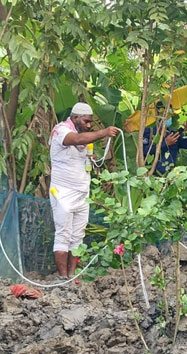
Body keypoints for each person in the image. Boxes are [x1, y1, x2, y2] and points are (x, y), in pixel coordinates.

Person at [49, 102, 120, 278]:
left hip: (82, 193)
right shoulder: (62, 130)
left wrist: (90, 159)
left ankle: (73, 276)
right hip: (63, 192)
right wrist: (103, 133)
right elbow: (77, 140)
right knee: (63, 234)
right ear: (75, 118)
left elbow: (80, 147)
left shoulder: (81, 133)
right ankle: (63, 277)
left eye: (90, 123)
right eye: (86, 122)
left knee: (77, 236)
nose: (88, 125)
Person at [142, 104, 187, 175]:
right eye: (165, 114)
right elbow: (143, 152)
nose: (169, 117)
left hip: (169, 177)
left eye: (170, 114)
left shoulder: (173, 134)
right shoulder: (148, 132)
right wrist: (165, 144)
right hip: (151, 176)